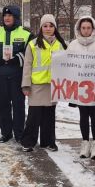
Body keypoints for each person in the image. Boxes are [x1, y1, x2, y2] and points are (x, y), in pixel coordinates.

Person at [0, 5, 32, 144]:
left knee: (18, 105)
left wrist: (18, 59)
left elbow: (30, 52)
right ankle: (6, 133)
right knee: (3, 105)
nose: (7, 18)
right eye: (5, 16)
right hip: (0, 76)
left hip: (18, 75)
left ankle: (19, 133)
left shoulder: (26, 34)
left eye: (10, 16)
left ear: (16, 18)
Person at [21, 14, 66, 152]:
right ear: (41, 27)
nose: (48, 28)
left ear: (55, 28)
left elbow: (66, 66)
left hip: (53, 86)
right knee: (34, 117)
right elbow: (27, 65)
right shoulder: (33, 44)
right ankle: (28, 142)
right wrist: (26, 85)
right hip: (36, 86)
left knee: (49, 116)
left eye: (51, 26)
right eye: (45, 26)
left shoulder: (61, 45)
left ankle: (48, 142)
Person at [67, 16, 95, 160]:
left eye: (88, 28)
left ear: (93, 29)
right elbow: (67, 65)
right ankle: (85, 142)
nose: (86, 30)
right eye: (83, 28)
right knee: (83, 115)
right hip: (79, 87)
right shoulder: (73, 45)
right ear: (79, 29)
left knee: (94, 115)